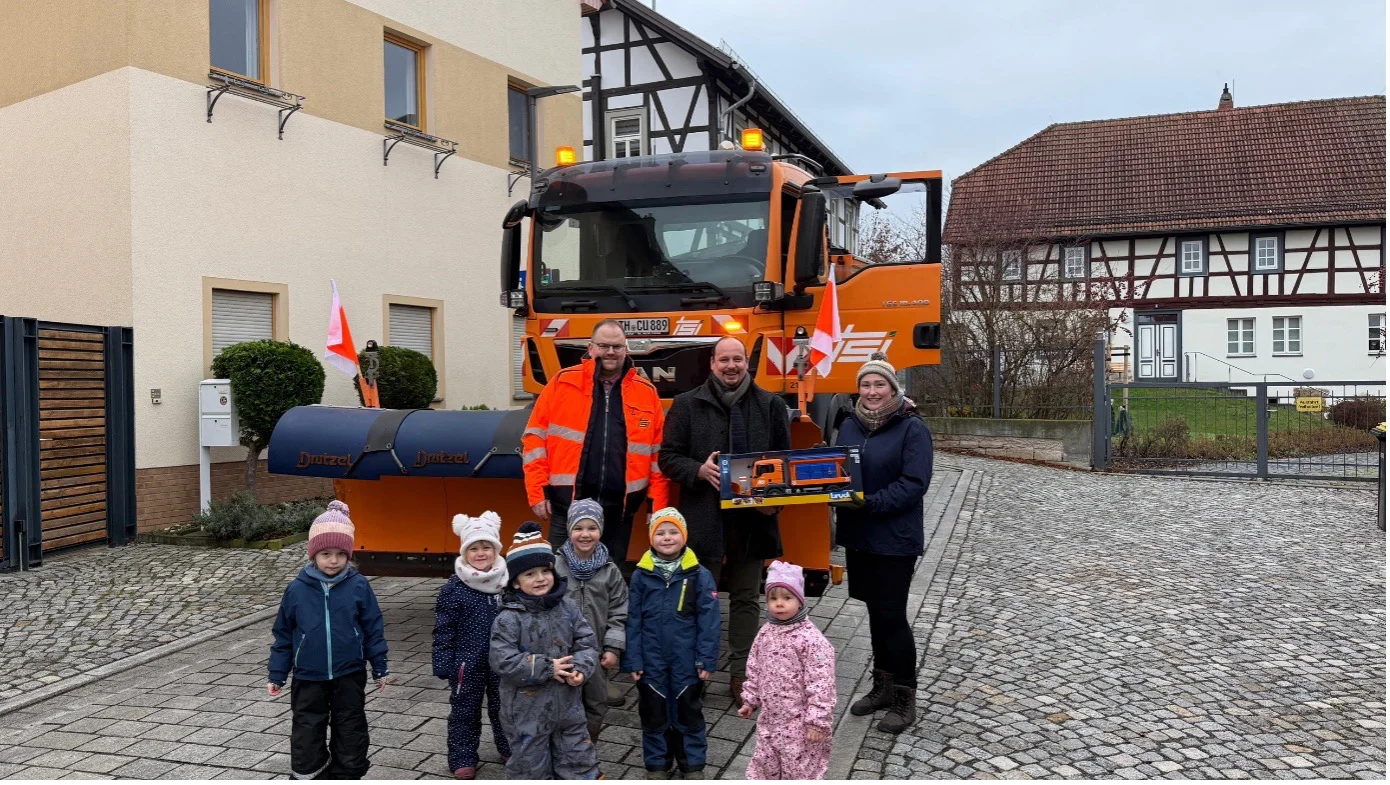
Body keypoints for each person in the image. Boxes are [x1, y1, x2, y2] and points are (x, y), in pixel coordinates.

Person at [658, 335, 790, 707]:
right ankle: (693, 670)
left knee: (747, 597)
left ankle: (741, 673)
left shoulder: (771, 406)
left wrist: (773, 505)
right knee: (701, 599)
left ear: (746, 362)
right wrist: (698, 470)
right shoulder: (686, 405)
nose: (731, 366)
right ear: (712, 364)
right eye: (723, 360)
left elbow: (785, 465)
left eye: (737, 359)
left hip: (752, 520)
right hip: (703, 517)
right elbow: (667, 457)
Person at [834, 352, 933, 734]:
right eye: (866, 384)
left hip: (895, 538)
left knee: (892, 616)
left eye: (880, 384)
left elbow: (914, 484)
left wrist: (870, 503)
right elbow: (838, 469)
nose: (872, 391)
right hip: (861, 537)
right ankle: (883, 687)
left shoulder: (912, 428)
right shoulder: (850, 425)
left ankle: (906, 697)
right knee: (874, 613)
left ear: (893, 388)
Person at [522, 319, 670, 556]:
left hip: (619, 511)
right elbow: (534, 439)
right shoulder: (562, 383)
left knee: (610, 579)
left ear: (626, 349)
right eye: (603, 346)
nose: (610, 352)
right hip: (568, 506)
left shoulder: (646, 392)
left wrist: (658, 506)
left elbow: (657, 455)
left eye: (617, 346)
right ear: (590, 348)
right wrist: (537, 491)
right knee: (560, 578)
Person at [267, 501, 392, 780]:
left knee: (350, 724)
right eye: (325, 553)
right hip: (308, 675)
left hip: (349, 672)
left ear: (349, 554)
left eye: (339, 554)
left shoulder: (358, 585)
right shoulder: (297, 589)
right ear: (314, 555)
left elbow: (373, 627)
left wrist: (379, 665)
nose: (333, 560)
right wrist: (277, 672)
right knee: (307, 725)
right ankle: (308, 772)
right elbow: (283, 633)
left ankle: (348, 772)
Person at [489, 522, 601, 780]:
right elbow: (502, 660)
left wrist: (581, 669)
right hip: (526, 711)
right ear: (515, 582)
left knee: (578, 758)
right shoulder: (508, 618)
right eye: (530, 574)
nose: (540, 579)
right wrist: (547, 667)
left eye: (545, 571)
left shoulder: (568, 608)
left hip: (568, 707)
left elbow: (586, 642)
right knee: (530, 767)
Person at [623, 508, 721, 779]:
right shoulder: (642, 575)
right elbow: (633, 620)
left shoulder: (699, 574)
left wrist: (706, 659)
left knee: (688, 710)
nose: (667, 538)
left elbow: (710, 622)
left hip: (687, 660)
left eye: (673, 532)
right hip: (651, 659)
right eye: (660, 533)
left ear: (684, 536)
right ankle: (657, 763)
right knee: (653, 711)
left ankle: (692, 764)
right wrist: (634, 659)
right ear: (652, 538)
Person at [737, 560, 837, 780]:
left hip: (800, 724)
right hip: (771, 720)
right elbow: (755, 668)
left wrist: (817, 721)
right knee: (765, 763)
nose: (779, 604)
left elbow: (821, 683)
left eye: (787, 598)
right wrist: (750, 699)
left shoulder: (811, 640)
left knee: (799, 769)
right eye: (773, 598)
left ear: (800, 601)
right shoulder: (766, 632)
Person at [432, 511, 511, 780]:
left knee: (506, 707)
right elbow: (444, 629)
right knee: (465, 710)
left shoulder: (507, 584)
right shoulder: (454, 588)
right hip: (466, 663)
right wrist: (443, 661)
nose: (480, 553)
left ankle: (509, 747)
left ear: (496, 549)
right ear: (464, 552)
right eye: (473, 548)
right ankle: (463, 756)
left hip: (504, 661)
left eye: (486, 547)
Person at [553, 498, 630, 743]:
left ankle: (588, 742)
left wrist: (613, 646)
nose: (585, 535)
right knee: (563, 698)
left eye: (592, 528)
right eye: (578, 528)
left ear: (601, 531)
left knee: (596, 700)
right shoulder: (555, 566)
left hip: (595, 650)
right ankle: (563, 744)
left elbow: (619, 610)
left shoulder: (610, 570)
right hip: (562, 650)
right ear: (568, 530)